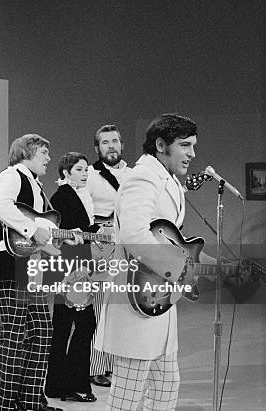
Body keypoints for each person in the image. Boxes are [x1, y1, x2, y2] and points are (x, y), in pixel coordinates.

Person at [95, 113, 211, 410]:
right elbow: (134, 235)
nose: (192, 154)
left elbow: (171, 240)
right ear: (161, 144)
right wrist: (181, 270)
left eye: (193, 146)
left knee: (165, 388)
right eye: (185, 145)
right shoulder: (143, 177)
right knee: (127, 397)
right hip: (138, 299)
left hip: (159, 298)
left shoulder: (165, 178)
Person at [0, 134, 64, 411]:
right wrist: (34, 231)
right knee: (16, 333)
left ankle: (30, 401)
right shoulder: (12, 175)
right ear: (26, 153)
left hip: (30, 266)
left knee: (42, 330)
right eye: (43, 152)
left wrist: (63, 237)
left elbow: (42, 228)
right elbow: (2, 206)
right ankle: (7, 405)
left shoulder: (36, 185)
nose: (48, 158)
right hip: (10, 264)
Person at [44, 152, 99, 403]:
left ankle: (59, 385)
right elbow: (58, 231)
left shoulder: (80, 195)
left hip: (79, 265)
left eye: (86, 169)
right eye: (79, 169)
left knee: (68, 325)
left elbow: (83, 228)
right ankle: (70, 384)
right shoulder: (62, 196)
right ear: (66, 173)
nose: (85, 173)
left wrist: (97, 231)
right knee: (78, 325)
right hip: (68, 268)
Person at [86, 124, 132, 388]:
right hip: (101, 246)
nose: (111, 146)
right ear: (97, 148)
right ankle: (96, 366)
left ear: (122, 145)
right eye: (105, 142)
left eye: (115, 141)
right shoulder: (89, 175)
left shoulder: (134, 174)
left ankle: (118, 364)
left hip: (126, 244)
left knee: (123, 307)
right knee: (101, 308)